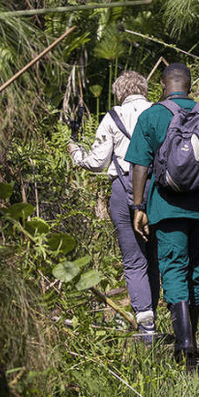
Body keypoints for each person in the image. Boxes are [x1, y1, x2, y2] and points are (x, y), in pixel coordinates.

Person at [125, 63, 199, 363]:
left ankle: (183, 342)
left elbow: (140, 166)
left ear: (162, 85)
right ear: (190, 84)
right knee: (198, 268)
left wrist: (138, 207)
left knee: (173, 268)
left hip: (165, 207)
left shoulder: (152, 116)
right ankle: (192, 338)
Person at [66, 70, 160, 341]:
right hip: (156, 189)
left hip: (124, 187)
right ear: (144, 89)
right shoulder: (160, 113)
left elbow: (97, 162)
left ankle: (146, 325)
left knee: (133, 260)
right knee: (153, 258)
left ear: (119, 92)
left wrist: (76, 154)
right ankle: (152, 312)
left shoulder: (113, 117)